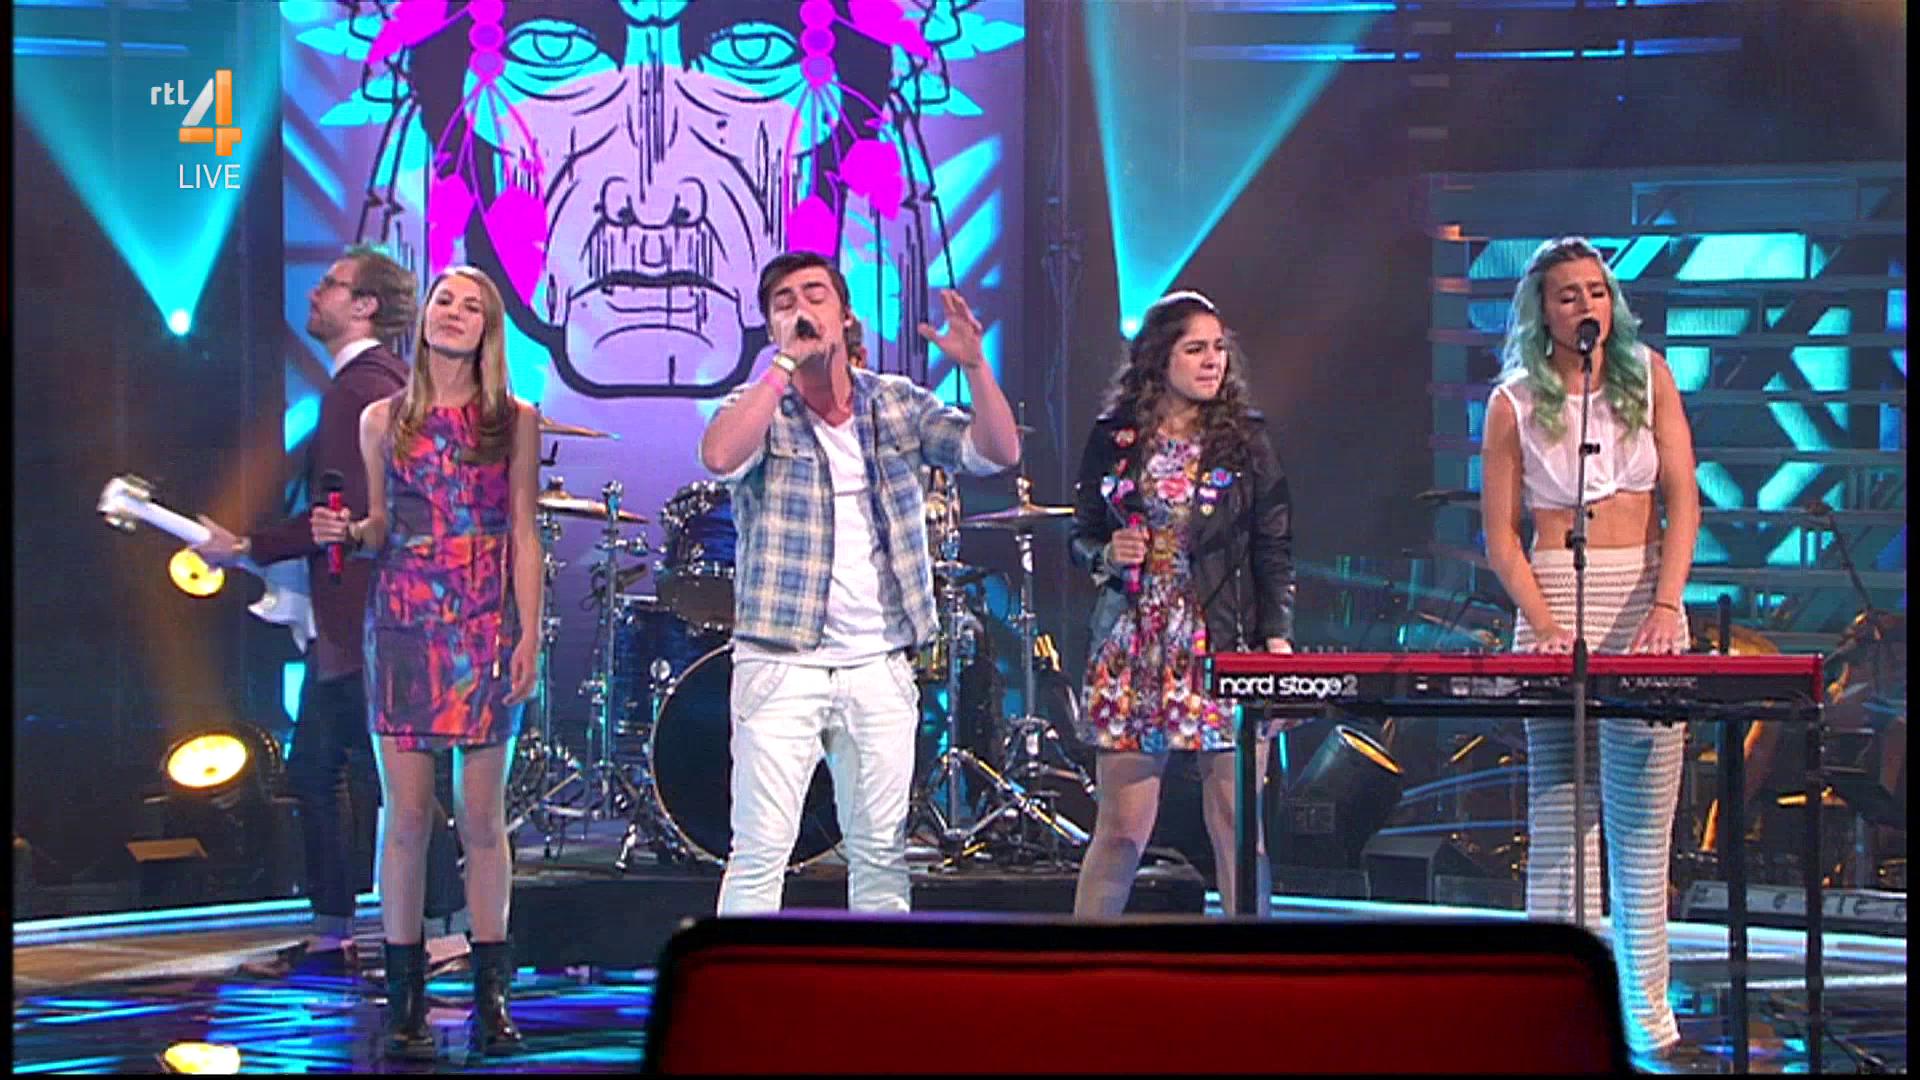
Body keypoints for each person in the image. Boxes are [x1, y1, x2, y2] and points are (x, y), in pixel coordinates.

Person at [697, 251, 1022, 914]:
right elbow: (721, 456)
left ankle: (880, 981)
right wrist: (784, 367)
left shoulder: (896, 403)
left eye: (814, 294)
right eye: (783, 302)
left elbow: (996, 452)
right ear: (770, 327)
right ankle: (743, 979)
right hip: (780, 662)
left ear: (846, 317)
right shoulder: (758, 405)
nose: (800, 309)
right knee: (759, 852)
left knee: (879, 856)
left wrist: (975, 367)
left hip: (878, 663)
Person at [194, 247, 469, 974]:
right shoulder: (378, 384)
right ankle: (340, 930)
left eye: (331, 285)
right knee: (323, 768)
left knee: (375, 776)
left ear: (365, 306)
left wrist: (246, 545)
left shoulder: (360, 392)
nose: (316, 294)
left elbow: (342, 516)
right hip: (366, 616)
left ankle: (439, 932)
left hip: (366, 617)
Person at [1480, 236, 1702, 1065]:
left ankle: (1648, 1019)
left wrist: (1666, 604)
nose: (1585, 306)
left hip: (1642, 600)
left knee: (1641, 831)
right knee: (1561, 822)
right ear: (1543, 310)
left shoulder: (1650, 376)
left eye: (1596, 291)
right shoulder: (1511, 402)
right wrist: (1543, 624)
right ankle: (1549, 1016)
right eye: (1568, 294)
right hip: (1553, 598)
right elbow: (1501, 537)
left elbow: (1684, 503)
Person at [312, 265, 542, 1059]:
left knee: (480, 818)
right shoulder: (382, 418)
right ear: (425, 315)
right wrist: (350, 534)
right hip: (406, 622)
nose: (454, 312)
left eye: (471, 306)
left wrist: (527, 634)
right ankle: (405, 1002)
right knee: (407, 817)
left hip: (484, 622)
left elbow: (524, 532)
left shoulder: (513, 420)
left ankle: (492, 998)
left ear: (488, 330)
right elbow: (380, 524)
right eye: (445, 299)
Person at [1067, 290, 1296, 918]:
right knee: (1121, 830)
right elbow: (1081, 535)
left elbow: (1273, 546)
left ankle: (1250, 966)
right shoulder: (1114, 439)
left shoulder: (1246, 440)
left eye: (1218, 348)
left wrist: (1277, 639)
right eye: (1195, 349)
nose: (1212, 360)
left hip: (1222, 641)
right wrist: (1106, 554)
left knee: (1235, 826)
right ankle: (1079, 965)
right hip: (1135, 644)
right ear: (1158, 358)